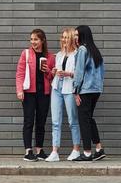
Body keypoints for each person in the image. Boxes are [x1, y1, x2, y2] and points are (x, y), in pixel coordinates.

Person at [16, 29, 55, 161]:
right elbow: (20, 73)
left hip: (44, 93)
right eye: (31, 39)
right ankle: (28, 151)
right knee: (29, 121)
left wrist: (48, 70)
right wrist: (19, 90)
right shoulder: (26, 54)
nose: (33, 42)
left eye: (36, 39)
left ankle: (39, 150)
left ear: (43, 40)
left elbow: (52, 77)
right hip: (29, 93)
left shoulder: (50, 57)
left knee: (41, 122)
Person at [45, 28, 81, 162]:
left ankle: (76, 150)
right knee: (55, 121)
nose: (64, 40)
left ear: (72, 39)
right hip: (56, 88)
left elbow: (80, 74)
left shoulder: (78, 54)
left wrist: (68, 74)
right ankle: (55, 152)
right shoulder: (58, 55)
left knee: (73, 120)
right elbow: (55, 71)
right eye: (63, 37)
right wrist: (54, 71)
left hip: (69, 89)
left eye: (67, 37)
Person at [72, 25, 106, 161]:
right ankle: (99, 148)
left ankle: (87, 153)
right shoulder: (95, 50)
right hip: (96, 90)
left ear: (82, 35)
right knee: (89, 118)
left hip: (85, 90)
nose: (75, 37)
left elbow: (79, 72)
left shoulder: (82, 49)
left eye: (76, 35)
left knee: (83, 121)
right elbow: (102, 72)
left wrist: (76, 91)